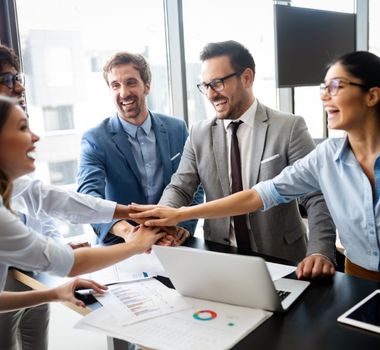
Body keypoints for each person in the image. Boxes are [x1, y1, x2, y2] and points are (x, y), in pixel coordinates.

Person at [130, 51, 380, 282]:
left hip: (282, 259)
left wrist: (320, 251)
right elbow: (258, 194)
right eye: (205, 86)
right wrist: (170, 217)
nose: (210, 93)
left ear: (247, 77)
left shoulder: (289, 127)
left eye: (217, 83)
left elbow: (316, 199)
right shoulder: (328, 155)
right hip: (223, 254)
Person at [0, 95, 164, 348]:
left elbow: (57, 200)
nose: (35, 137)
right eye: (22, 128)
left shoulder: (14, 187)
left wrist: (53, 293)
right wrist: (135, 244)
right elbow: (71, 264)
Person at [77, 51, 203, 245]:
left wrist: (182, 226)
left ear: (147, 86)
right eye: (115, 85)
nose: (124, 93)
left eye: (131, 82)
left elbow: (195, 184)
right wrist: (128, 231)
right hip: (121, 244)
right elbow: (88, 197)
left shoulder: (177, 128)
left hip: (172, 243)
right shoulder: (95, 139)